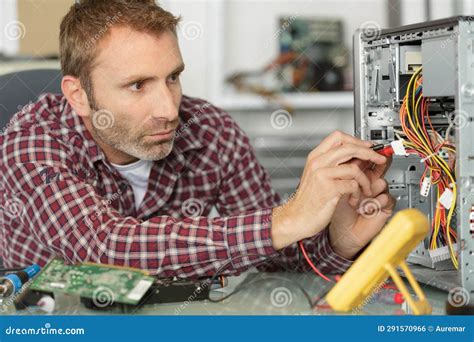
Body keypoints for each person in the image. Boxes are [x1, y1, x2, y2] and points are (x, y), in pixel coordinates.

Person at [0, 0, 395, 278]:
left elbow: (277, 257)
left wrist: (338, 242)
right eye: (138, 85)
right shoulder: (32, 139)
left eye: (172, 77)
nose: (170, 109)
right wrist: (287, 218)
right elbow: (103, 249)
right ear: (78, 96)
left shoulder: (211, 131)